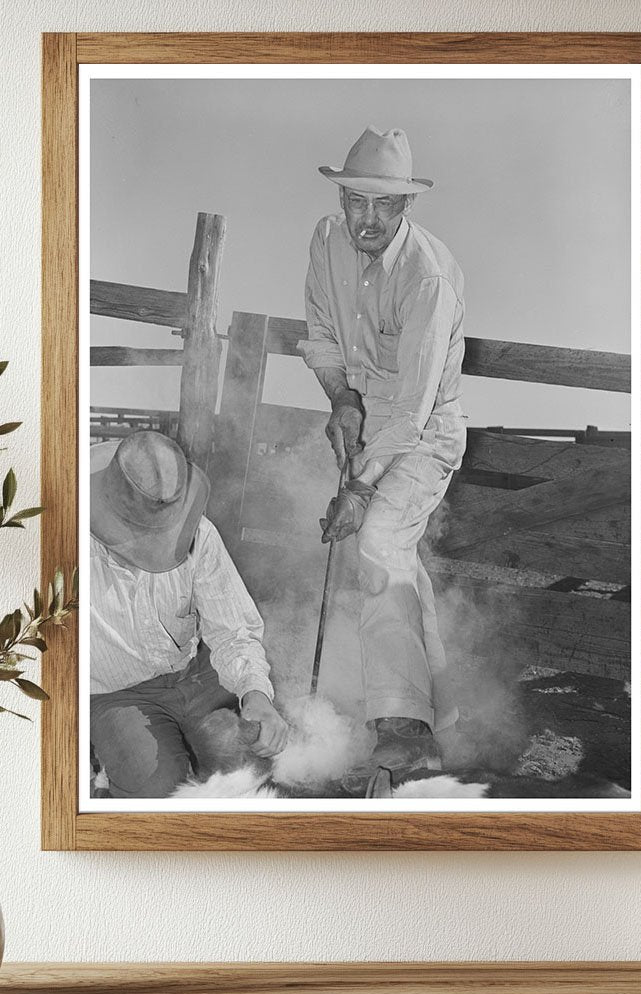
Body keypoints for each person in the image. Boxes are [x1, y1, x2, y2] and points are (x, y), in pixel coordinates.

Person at [299, 126, 467, 783]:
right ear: (342, 198)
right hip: (368, 420)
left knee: (375, 542)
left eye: (383, 205)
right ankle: (440, 714)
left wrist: (359, 486)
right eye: (356, 202)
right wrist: (340, 397)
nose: (366, 219)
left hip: (426, 434)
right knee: (391, 556)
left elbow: (413, 408)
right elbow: (318, 332)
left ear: (406, 207)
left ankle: (405, 735)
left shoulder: (429, 276)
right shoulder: (323, 240)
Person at [88, 430, 289, 798]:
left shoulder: (200, 534)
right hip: (116, 694)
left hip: (196, 675)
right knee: (159, 788)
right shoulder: (65, 545)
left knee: (254, 758)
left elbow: (233, 632)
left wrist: (256, 694)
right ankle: (109, 788)